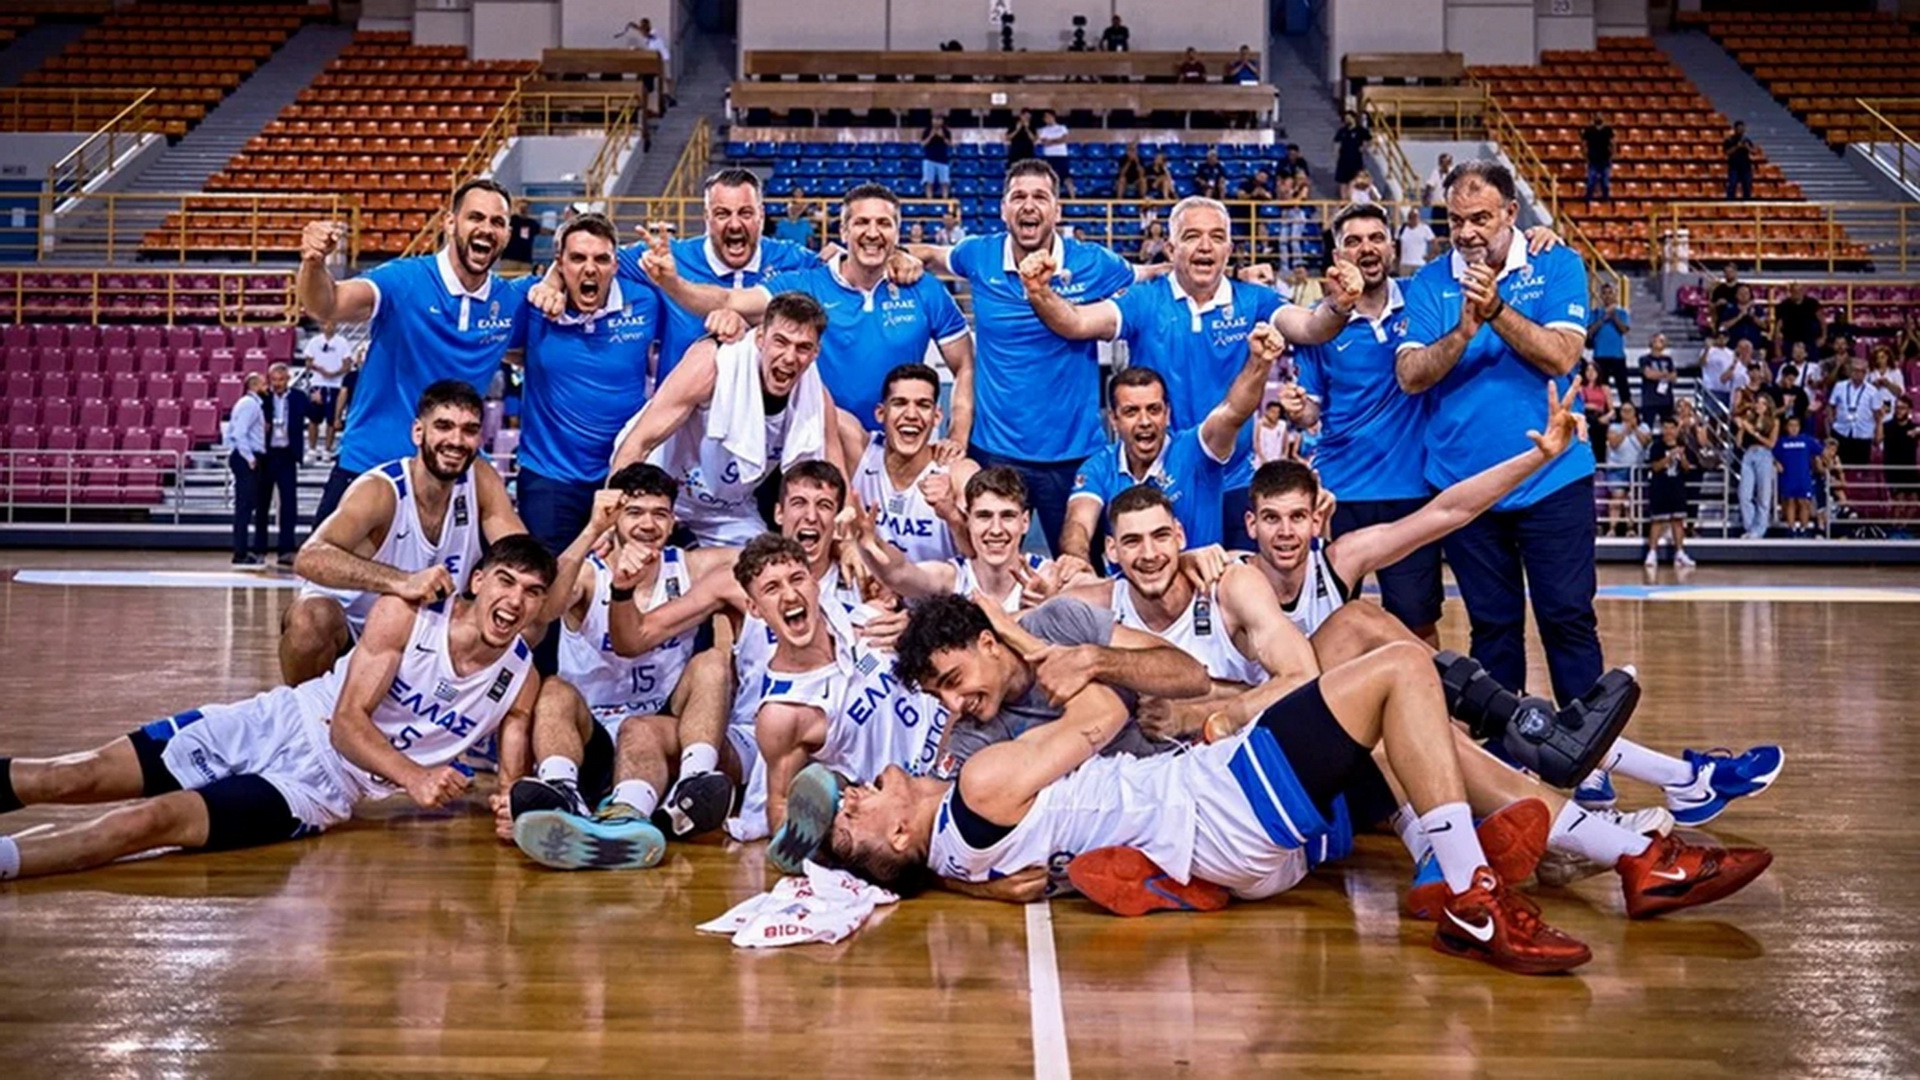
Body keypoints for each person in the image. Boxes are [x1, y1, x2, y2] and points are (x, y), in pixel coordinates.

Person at [841, 596, 1764, 971]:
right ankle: (1496, 865)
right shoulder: (975, 764)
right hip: (1208, 801)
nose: (951, 705)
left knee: (1377, 652)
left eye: (954, 680)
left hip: (1207, 792)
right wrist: (1061, 660)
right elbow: (1100, 718)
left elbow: (1180, 679)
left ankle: (1587, 842)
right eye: (857, 805)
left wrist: (1068, 649)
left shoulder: (1049, 647)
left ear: (986, 642)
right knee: (1402, 675)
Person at [0, 535, 562, 882]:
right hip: (281, 721)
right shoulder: (408, 616)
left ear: (541, 606)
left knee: (150, 823)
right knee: (73, 774)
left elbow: (509, 784)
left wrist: (512, 810)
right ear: (478, 581)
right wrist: (415, 777)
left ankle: (9, 863)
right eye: (505, 582)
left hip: (318, 792)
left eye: (532, 592)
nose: (514, 600)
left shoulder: (520, 681)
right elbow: (346, 725)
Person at [1022, 195, 1357, 550]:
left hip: (1233, 481)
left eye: (1216, 236)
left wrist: (1338, 305)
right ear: (1171, 248)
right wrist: (1039, 292)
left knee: (1240, 579)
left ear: (1229, 249)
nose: (1205, 246)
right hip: (1163, 482)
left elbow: (1311, 327)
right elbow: (1076, 321)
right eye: (1192, 236)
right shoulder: (1143, 300)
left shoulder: (1254, 300)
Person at [1395, 160, 1599, 712]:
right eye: (1455, 219)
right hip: (1465, 486)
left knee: (1568, 616)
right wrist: (1464, 331)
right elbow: (1410, 375)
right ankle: (1504, 751)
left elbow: (1562, 355)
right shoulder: (1430, 282)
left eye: (1480, 218)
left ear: (1511, 212)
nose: (1466, 232)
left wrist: (1497, 311)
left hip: (1552, 477)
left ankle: (1590, 748)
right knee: (1492, 626)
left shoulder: (1557, 263)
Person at [505, 464, 739, 867]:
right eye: (634, 512)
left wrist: (848, 543)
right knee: (553, 689)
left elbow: (766, 558)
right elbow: (546, 608)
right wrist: (592, 530)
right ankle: (562, 792)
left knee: (711, 664)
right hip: (590, 733)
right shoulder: (589, 574)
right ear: (614, 516)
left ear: (673, 520)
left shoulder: (692, 566)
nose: (648, 524)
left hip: (659, 729)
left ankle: (691, 784)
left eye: (659, 513)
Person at [905, 160, 1138, 553]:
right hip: (996, 449)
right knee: (985, 563)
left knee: (1083, 565)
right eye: (1018, 197)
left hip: (1075, 453)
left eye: (1040, 197)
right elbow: (932, 254)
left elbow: (1147, 277)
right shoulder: (979, 254)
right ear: (1003, 209)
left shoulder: (1094, 262)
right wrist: (907, 256)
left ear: (1057, 210)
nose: (1029, 205)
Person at [644, 183, 974, 443]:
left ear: (897, 233)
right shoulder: (806, 285)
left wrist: (956, 439)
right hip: (818, 448)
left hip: (899, 449)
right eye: (861, 222)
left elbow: (964, 366)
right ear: (843, 232)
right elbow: (729, 299)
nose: (872, 233)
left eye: (883, 223)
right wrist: (673, 283)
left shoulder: (926, 290)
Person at [299, 178, 519, 527]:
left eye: (498, 222)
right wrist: (313, 263)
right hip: (370, 468)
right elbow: (328, 304)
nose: (487, 229)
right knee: (326, 561)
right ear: (450, 223)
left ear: (507, 234)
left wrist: (553, 283)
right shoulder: (404, 280)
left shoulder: (510, 302)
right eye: (475, 217)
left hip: (448, 479)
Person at [284, 381, 532, 686]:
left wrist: (583, 549)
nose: (456, 441)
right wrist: (401, 581)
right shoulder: (380, 490)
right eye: (443, 426)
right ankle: (308, 707)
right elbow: (309, 558)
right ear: (418, 432)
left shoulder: (480, 478)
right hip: (354, 630)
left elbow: (525, 559)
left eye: (469, 430)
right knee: (310, 619)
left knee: (527, 615)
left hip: (423, 635)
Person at [609, 292, 846, 547]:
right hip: (658, 494)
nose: (789, 358)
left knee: (767, 564)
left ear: (815, 352)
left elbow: (836, 479)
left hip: (729, 509)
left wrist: (847, 542)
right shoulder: (711, 365)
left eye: (803, 347)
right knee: (638, 560)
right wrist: (609, 524)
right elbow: (638, 442)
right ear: (760, 338)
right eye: (781, 342)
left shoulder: (816, 399)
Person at [847, 465, 1088, 615]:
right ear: (969, 520)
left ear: (1024, 522)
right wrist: (867, 541)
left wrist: (1056, 602)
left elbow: (1103, 593)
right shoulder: (953, 578)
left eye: (1007, 516)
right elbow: (898, 573)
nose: (996, 530)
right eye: (984, 516)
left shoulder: (1049, 575)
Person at [848, 363, 979, 563]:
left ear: (937, 417)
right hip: (867, 582)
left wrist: (952, 515)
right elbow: (816, 401)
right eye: (900, 403)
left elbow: (982, 558)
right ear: (881, 413)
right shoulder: (860, 452)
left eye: (923, 405)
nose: (911, 415)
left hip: (935, 584)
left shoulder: (958, 472)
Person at [258, 363, 310, 564]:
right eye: (274, 380)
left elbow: (315, 415)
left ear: (288, 379)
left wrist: (318, 403)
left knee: (289, 504)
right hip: (267, 455)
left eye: (281, 379)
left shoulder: (298, 397)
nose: (277, 383)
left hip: (288, 455)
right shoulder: (262, 398)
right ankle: (260, 549)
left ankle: (286, 549)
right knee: (262, 504)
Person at [1644, 417, 1698, 567]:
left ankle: (1680, 553)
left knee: (1678, 521)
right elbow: (1655, 467)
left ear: (1676, 430)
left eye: (1671, 428)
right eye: (1666, 427)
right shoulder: (1656, 446)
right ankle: (1652, 553)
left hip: (1677, 487)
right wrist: (1669, 457)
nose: (1668, 431)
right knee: (1657, 521)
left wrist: (1682, 457)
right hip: (1660, 487)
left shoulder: (1683, 446)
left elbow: (1687, 469)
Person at [228, 371, 267, 567]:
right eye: (263, 384)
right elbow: (239, 433)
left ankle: (241, 550)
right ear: (255, 385)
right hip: (246, 457)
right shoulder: (250, 405)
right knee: (244, 507)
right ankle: (240, 552)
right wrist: (249, 457)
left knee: (246, 505)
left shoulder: (249, 404)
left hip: (245, 456)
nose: (266, 387)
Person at [1829, 354, 1892, 468]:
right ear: (1850, 371)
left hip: (1863, 434)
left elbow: (1877, 414)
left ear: (1865, 373)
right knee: (1839, 467)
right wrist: (1832, 424)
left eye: (1862, 371)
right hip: (1841, 432)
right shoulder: (1839, 386)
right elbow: (1831, 406)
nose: (1858, 373)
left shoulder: (1872, 391)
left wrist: (1878, 432)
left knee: (1860, 470)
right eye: (1855, 370)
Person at [300, 321, 350, 459]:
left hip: (336, 385)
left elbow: (347, 364)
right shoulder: (315, 342)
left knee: (331, 419)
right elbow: (308, 362)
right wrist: (321, 370)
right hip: (318, 384)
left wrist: (334, 373)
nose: (329, 327)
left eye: (331, 325)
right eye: (326, 325)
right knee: (314, 418)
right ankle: (312, 448)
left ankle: (327, 449)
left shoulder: (342, 342)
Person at [1735, 393, 1779, 539]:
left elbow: (1771, 444)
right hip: (1748, 454)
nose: (1759, 406)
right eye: (1758, 402)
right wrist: (1742, 428)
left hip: (1764, 455)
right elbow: (1738, 443)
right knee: (1744, 494)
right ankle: (1750, 527)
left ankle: (1759, 529)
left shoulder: (1773, 421)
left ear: (1768, 406)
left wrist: (1754, 432)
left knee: (1763, 495)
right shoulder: (1750, 418)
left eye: (1763, 403)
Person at [1603, 402, 1651, 538]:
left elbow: (1646, 442)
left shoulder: (1644, 427)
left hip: (1636, 469)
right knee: (1617, 497)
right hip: (1617, 468)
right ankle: (1612, 528)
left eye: (1630, 410)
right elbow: (1614, 444)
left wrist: (1635, 429)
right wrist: (1625, 430)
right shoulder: (1614, 427)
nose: (1627, 413)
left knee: (1632, 499)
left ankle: (1631, 528)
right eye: (1624, 410)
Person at [1586, 281, 1632, 407]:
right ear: (1601, 296)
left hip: (1618, 356)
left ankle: (1627, 410)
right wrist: (1603, 318)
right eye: (1604, 293)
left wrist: (1614, 316)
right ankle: (1604, 410)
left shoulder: (1622, 313)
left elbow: (1624, 330)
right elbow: (1590, 331)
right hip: (1600, 355)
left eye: (1610, 293)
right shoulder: (1595, 313)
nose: (1607, 296)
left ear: (1615, 295)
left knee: (1623, 387)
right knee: (1601, 386)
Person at [1773, 414, 1819, 538]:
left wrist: (1827, 463)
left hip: (1803, 477)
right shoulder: (1781, 442)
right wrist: (1776, 463)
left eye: (1796, 426)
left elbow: (1821, 451)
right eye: (1791, 425)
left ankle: (1804, 529)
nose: (1793, 428)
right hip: (1788, 477)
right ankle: (1791, 529)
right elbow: (1772, 455)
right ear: (1786, 427)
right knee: (1790, 502)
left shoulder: (1807, 440)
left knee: (1804, 502)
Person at [1772, 282, 1823, 360]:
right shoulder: (1783, 306)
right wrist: (1777, 348)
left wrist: (1823, 337)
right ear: (1790, 292)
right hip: (1790, 342)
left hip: (1809, 341)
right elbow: (1777, 328)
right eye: (1794, 291)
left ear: (1803, 291)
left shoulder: (1812, 304)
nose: (1797, 293)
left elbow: (1822, 321)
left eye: (1799, 291)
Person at [1578, 360, 1616, 465]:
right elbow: (1577, 406)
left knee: (1600, 445)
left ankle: (1600, 466)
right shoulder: (1580, 389)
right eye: (1588, 370)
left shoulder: (1604, 388)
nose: (1590, 373)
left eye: (1593, 370)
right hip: (1587, 417)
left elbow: (1612, 409)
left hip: (1601, 418)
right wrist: (1589, 405)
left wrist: (1606, 417)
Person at [1717, 283, 1767, 356]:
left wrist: (1752, 316)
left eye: (1746, 293)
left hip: (1754, 346)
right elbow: (1722, 327)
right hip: (1733, 347)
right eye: (1741, 293)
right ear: (1736, 295)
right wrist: (1739, 317)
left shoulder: (1757, 308)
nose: (1743, 296)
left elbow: (1765, 325)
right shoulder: (1730, 308)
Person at [1639, 332, 1678, 423]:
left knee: (1668, 424)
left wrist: (1658, 374)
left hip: (1666, 399)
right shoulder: (1645, 359)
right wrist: (1665, 374)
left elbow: (1674, 377)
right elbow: (1649, 375)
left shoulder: (1668, 359)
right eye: (1660, 340)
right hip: (1650, 399)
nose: (1663, 342)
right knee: (1647, 425)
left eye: (1664, 341)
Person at [1036, 111, 1074, 198]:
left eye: (1048, 117)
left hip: (1061, 155)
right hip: (1049, 156)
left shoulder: (1062, 128)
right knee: (1049, 177)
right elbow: (1044, 142)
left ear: (1053, 117)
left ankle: (1073, 197)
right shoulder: (1043, 130)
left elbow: (1064, 139)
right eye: (1045, 118)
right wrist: (1057, 140)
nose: (1047, 119)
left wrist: (1051, 141)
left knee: (1067, 177)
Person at [1581, 112, 1614, 205]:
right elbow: (1583, 144)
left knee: (1605, 183)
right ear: (1594, 118)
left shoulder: (1608, 130)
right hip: (1593, 160)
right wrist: (1585, 155)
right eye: (1597, 116)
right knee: (1591, 181)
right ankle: (1588, 199)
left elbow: (1613, 143)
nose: (1598, 118)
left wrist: (1611, 155)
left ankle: (1605, 200)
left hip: (1605, 160)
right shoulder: (1589, 130)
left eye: (1600, 116)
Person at [1333, 111, 1371, 188]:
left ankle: (1352, 194)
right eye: (1346, 118)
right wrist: (1336, 152)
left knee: (1355, 180)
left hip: (1355, 159)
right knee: (1342, 182)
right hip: (1343, 159)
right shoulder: (1342, 131)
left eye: (1349, 118)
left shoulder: (1360, 130)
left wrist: (1363, 147)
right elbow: (1337, 142)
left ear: (1354, 118)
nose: (1347, 120)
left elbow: (1369, 139)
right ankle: (1343, 195)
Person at [501, 198, 539, 274]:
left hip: (525, 259)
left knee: (524, 279)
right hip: (510, 257)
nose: (524, 209)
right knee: (508, 278)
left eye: (526, 207)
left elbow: (541, 230)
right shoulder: (511, 220)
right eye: (522, 207)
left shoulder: (531, 223)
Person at [1396, 207, 1435, 277]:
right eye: (1411, 217)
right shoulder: (1401, 229)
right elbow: (1397, 246)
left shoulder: (1425, 229)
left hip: (1420, 263)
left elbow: (1434, 243)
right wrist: (1397, 261)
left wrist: (1430, 256)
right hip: (1405, 263)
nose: (1413, 219)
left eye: (1415, 217)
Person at [921, 118, 952, 199]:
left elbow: (950, 144)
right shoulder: (927, 131)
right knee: (928, 182)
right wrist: (931, 136)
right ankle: (929, 201)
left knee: (944, 182)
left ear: (942, 121)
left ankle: (945, 201)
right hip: (929, 160)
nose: (936, 122)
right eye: (935, 119)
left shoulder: (946, 131)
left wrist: (943, 136)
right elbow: (923, 144)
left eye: (939, 120)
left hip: (943, 160)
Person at [1254, 400, 1291, 466]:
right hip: (1262, 461)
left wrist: (1284, 456)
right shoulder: (1259, 424)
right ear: (1267, 411)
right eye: (1273, 412)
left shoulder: (1282, 425)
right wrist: (1263, 459)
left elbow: (1286, 443)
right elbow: (1257, 443)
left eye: (1277, 412)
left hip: (1277, 460)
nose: (1275, 415)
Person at [1725, 121, 1755, 200]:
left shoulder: (1747, 140)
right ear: (1735, 129)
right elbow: (1727, 152)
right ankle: (1730, 202)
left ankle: (1747, 202)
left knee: (1747, 186)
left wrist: (1747, 147)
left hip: (1745, 167)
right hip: (1734, 167)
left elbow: (1753, 152)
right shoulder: (1729, 140)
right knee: (1732, 185)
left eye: (1742, 129)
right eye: (1739, 129)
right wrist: (1737, 147)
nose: (1741, 130)